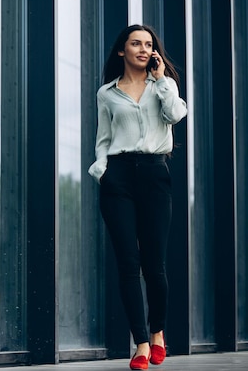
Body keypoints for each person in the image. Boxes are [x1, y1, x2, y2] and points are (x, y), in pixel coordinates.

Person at [88, 24, 187, 370]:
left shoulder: (164, 85)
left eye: (148, 44)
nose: (143, 49)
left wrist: (161, 82)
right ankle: (141, 344)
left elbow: (175, 115)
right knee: (128, 264)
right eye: (136, 44)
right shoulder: (107, 93)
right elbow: (103, 137)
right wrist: (102, 170)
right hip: (118, 176)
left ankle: (158, 332)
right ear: (122, 51)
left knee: (154, 264)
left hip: (154, 174)